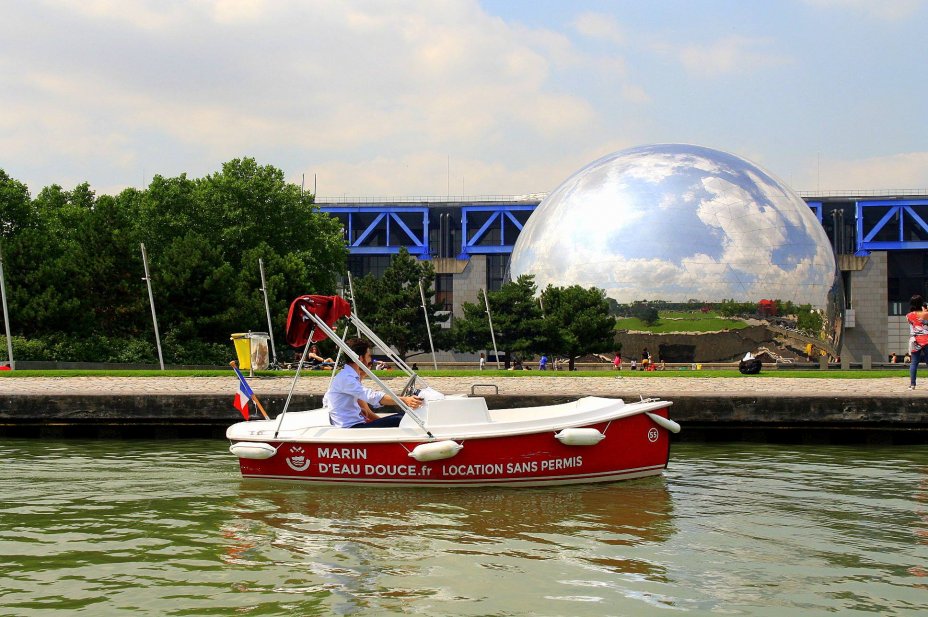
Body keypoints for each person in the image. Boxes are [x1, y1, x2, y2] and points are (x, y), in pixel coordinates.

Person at [325, 338, 423, 427]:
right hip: (353, 428)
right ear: (360, 358)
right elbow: (372, 396)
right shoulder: (346, 378)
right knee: (407, 418)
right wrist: (405, 400)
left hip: (356, 425)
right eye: (368, 356)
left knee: (405, 417)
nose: (370, 360)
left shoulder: (347, 376)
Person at [906, 295, 928, 390]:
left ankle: (912, 384)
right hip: (927, 339)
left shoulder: (909, 316)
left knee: (914, 362)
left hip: (915, 340)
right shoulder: (926, 314)